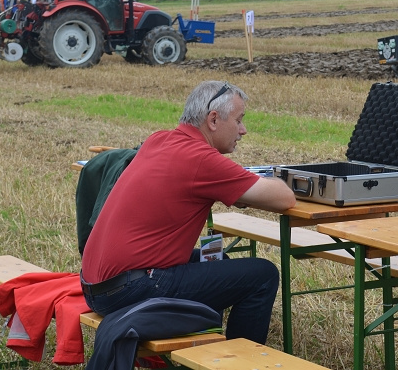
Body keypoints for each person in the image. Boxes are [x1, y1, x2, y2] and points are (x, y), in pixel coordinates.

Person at [80, 80, 296, 344]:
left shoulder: (158, 139)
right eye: (239, 120)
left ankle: (209, 339)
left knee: (219, 261)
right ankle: (240, 359)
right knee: (263, 275)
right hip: (129, 290)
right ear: (213, 120)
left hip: (94, 286)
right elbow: (284, 199)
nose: (243, 130)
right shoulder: (201, 159)